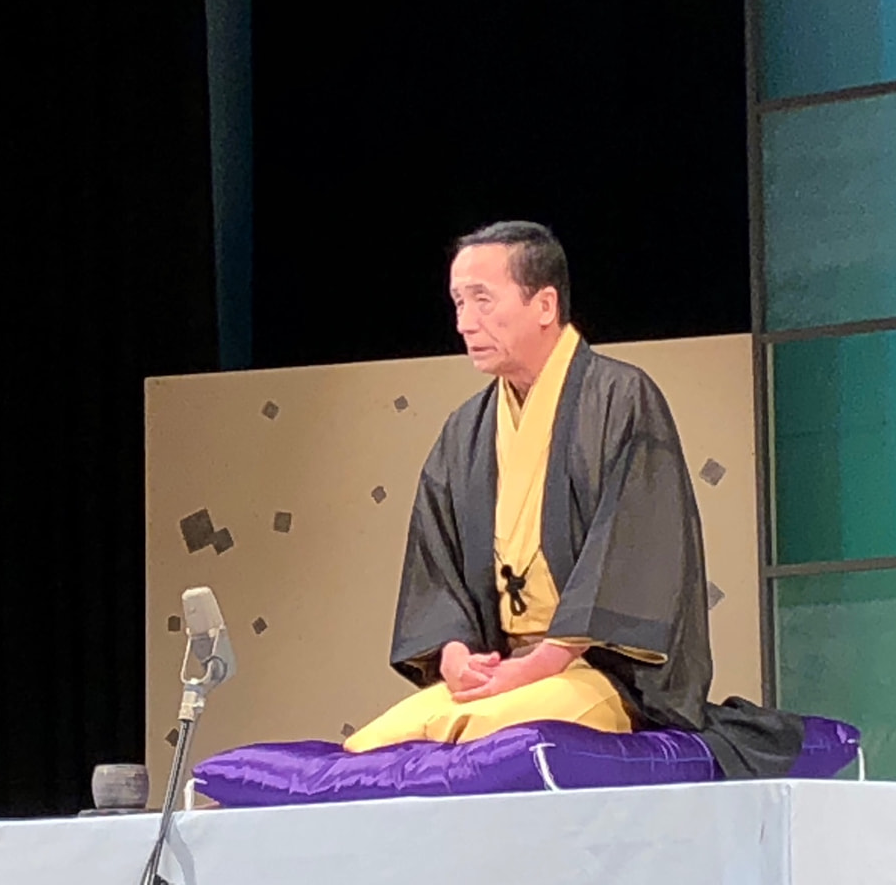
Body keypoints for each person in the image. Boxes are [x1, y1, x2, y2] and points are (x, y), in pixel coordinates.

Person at [343, 221, 802, 776]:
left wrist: (542, 661)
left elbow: (633, 550)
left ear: (544, 304)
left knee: (487, 738)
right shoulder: (465, 430)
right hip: (504, 666)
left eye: (483, 300)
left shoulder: (621, 397)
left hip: (601, 670)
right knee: (371, 749)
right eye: (459, 302)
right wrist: (456, 656)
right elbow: (437, 564)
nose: (465, 322)